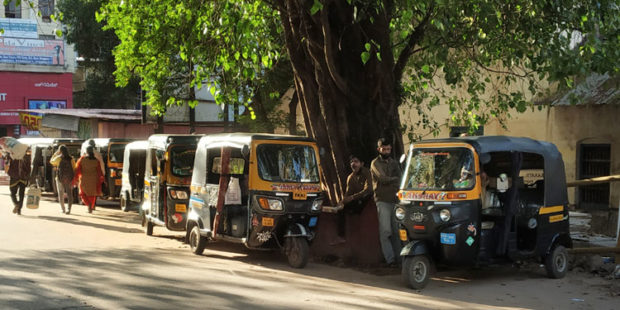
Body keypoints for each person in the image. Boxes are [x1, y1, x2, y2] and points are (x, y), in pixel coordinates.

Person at [370, 138, 402, 266]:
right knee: (385, 231)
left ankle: (400, 259)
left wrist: (394, 179)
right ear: (379, 149)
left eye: (388, 149)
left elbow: (401, 178)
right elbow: (382, 178)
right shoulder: (375, 163)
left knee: (396, 232)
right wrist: (394, 179)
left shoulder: (394, 163)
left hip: (395, 200)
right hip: (382, 201)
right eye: (384, 149)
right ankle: (390, 260)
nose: (386, 151)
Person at [332, 155, 373, 245]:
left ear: (361, 164)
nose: (353, 164)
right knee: (340, 209)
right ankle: (341, 237)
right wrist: (342, 202)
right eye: (352, 162)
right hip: (357, 201)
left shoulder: (367, 172)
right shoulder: (350, 177)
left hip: (367, 199)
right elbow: (348, 193)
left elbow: (368, 189)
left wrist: (352, 198)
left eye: (356, 161)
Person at [73, 145, 103, 213]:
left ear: (86, 151)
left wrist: (76, 178)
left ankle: (89, 205)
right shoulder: (96, 160)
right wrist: (101, 179)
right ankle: (91, 207)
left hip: (84, 179)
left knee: (82, 193)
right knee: (92, 194)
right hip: (94, 179)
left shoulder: (82, 159)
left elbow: (77, 169)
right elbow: (99, 171)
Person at [50, 145, 76, 214]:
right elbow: (74, 168)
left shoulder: (58, 158)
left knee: (60, 194)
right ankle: (69, 209)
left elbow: (51, 161)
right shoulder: (71, 159)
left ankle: (63, 209)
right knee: (69, 194)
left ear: (60, 151)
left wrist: (55, 154)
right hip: (69, 178)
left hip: (59, 178)